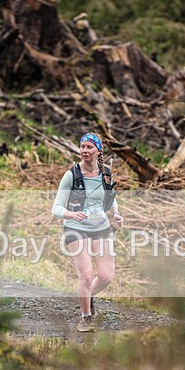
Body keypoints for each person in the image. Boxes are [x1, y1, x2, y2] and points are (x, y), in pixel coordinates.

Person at [51, 132, 123, 332]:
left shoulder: (106, 172)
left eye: (89, 147)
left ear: (98, 150)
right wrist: (71, 215)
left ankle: (86, 297)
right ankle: (86, 317)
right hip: (75, 228)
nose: (84, 150)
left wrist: (116, 213)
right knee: (86, 276)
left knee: (106, 276)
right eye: (82, 146)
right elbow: (56, 208)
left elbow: (110, 197)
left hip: (101, 227)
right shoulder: (71, 175)